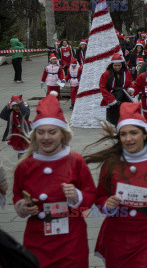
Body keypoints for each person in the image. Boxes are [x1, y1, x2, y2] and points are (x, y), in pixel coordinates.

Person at [85, 102, 147, 267]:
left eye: (134, 133)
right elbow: (100, 196)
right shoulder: (111, 163)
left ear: (145, 134)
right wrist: (106, 205)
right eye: (123, 134)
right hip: (117, 235)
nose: (128, 139)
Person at [12, 94, 96, 268]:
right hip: (37, 240)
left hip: (71, 241)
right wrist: (22, 206)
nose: (46, 138)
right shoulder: (25, 165)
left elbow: (91, 195)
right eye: (41, 132)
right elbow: (16, 195)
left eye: (52, 132)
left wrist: (77, 196)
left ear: (62, 133)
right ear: (35, 134)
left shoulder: (75, 160)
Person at [99, 53, 135, 126]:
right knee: (115, 117)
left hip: (124, 97)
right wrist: (110, 99)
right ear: (112, 65)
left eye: (119, 65)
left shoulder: (127, 73)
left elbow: (130, 83)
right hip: (113, 98)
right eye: (115, 65)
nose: (117, 67)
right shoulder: (106, 74)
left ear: (122, 65)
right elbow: (102, 87)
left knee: (126, 115)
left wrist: (131, 89)